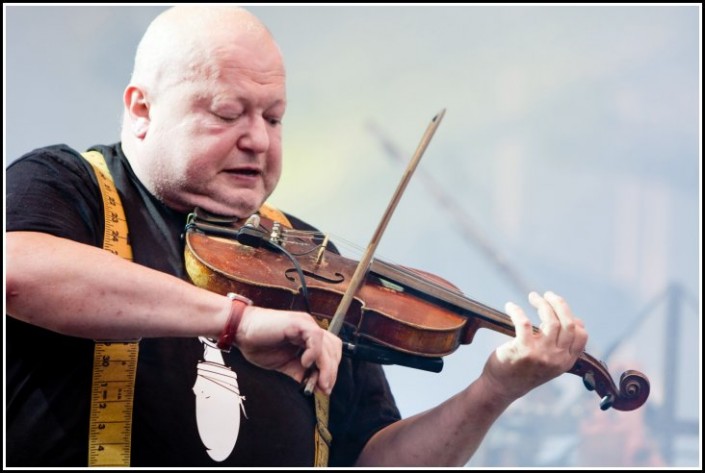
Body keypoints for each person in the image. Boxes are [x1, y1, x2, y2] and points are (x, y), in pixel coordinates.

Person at [6, 5, 588, 467]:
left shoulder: (309, 256)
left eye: (274, 117)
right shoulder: (70, 185)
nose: (258, 139)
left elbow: (370, 461)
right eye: (228, 112)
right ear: (141, 109)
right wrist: (235, 320)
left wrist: (492, 391)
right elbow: (16, 270)